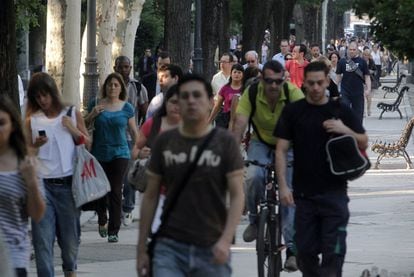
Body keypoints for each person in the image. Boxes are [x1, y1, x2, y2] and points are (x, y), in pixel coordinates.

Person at [136, 74, 244, 277]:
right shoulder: (164, 142)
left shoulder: (224, 143)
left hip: (211, 246)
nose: (191, 101)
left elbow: (237, 195)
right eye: (185, 97)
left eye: (197, 95)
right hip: (169, 245)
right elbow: (150, 196)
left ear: (210, 102)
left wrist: (225, 239)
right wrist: (141, 247)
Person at [275, 61, 368, 276]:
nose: (316, 88)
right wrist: (283, 186)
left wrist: (345, 129)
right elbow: (281, 150)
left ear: (327, 81)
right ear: (304, 84)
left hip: (334, 195)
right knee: (304, 254)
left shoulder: (339, 110)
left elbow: (363, 141)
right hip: (303, 196)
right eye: (311, 83)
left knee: (332, 256)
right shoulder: (293, 112)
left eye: (320, 83)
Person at [232, 60, 304, 271]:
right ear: (262, 79)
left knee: (288, 196)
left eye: (279, 81)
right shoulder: (252, 93)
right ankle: (255, 221)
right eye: (269, 81)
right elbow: (239, 125)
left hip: (289, 145)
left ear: (285, 80)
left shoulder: (293, 95)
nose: (274, 86)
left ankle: (292, 251)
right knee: (253, 175)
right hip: (260, 142)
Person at [25, 72, 89, 277]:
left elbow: (88, 143)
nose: (42, 100)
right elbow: (25, 155)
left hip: (68, 185)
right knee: (42, 242)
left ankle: (70, 270)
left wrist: (72, 130)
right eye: (37, 97)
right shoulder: (31, 120)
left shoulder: (70, 113)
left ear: (53, 93)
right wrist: (34, 146)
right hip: (41, 187)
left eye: (45, 95)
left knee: (70, 242)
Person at [85, 72, 138, 243]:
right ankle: (102, 219)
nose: (112, 87)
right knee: (101, 190)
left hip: (120, 153)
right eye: (109, 85)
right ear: (105, 87)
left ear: (121, 87)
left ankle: (114, 230)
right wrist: (92, 114)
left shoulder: (127, 107)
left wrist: (139, 150)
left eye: (116, 85)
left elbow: (133, 131)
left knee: (115, 190)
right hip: (99, 153)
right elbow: (84, 124)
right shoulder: (95, 104)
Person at [0, 95, 45, 277]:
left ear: (12, 126)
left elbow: (37, 214)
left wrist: (31, 181)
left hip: (13, 257)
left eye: (2, 123)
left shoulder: (26, 164)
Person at [131, 85, 181, 233]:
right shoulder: (152, 125)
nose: (176, 106)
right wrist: (140, 154)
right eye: (173, 102)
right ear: (166, 103)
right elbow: (134, 151)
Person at [113, 56, 149, 226]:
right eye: (121, 67)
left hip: (129, 137)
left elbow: (144, 110)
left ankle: (127, 208)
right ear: (115, 67)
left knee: (128, 175)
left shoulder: (137, 87)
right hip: (111, 137)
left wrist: (140, 133)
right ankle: (113, 208)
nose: (124, 70)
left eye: (127, 67)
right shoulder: (109, 86)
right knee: (113, 176)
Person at [336, 41, 371, 124]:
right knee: (344, 113)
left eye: (354, 49)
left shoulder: (362, 62)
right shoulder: (342, 62)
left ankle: (357, 133)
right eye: (350, 49)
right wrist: (335, 90)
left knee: (358, 116)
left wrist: (368, 89)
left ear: (357, 50)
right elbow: (338, 77)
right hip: (345, 92)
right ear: (347, 49)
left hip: (358, 93)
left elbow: (367, 76)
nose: (351, 51)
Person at [209, 63, 244, 128]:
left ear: (243, 75)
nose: (237, 74)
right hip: (225, 120)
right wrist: (209, 120)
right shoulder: (225, 88)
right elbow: (217, 106)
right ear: (231, 74)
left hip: (240, 120)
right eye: (235, 72)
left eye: (239, 72)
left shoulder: (245, 89)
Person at [362, 48, 378, 116]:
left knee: (369, 98)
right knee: (363, 97)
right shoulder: (360, 61)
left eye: (367, 55)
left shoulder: (371, 61)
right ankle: (363, 112)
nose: (366, 56)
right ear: (363, 55)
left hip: (370, 81)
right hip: (362, 81)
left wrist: (372, 72)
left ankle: (368, 109)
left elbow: (375, 70)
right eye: (365, 55)